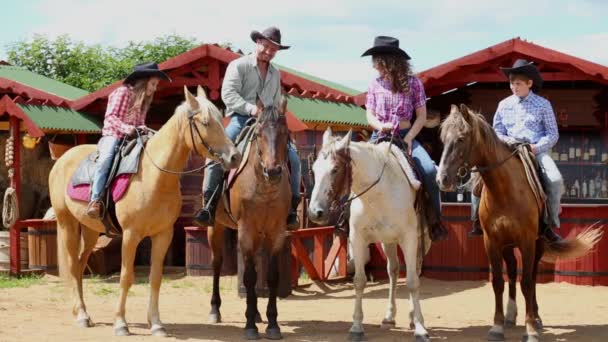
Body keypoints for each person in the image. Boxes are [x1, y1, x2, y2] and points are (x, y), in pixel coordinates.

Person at [192, 26, 302, 230]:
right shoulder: (238, 65)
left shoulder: (275, 74)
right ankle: (208, 205)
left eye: (274, 49)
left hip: (267, 125)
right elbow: (229, 95)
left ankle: (292, 209)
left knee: (294, 158)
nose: (269, 52)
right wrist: (251, 109)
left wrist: (276, 115)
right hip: (240, 119)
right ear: (258, 43)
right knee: (217, 156)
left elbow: (276, 101)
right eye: (267, 46)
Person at [362, 36, 447, 241]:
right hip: (379, 135)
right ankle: (346, 222)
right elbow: (369, 114)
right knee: (352, 167)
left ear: (387, 60)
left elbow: (422, 116)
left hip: (404, 136)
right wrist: (380, 125)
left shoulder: (413, 83)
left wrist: (409, 138)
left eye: (376, 59)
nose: (373, 64)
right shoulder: (374, 83)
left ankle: (435, 221)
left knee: (428, 171)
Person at [468, 59, 563, 242]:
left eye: (518, 83)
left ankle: (550, 224)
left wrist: (537, 147)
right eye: (511, 83)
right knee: (476, 175)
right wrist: (508, 141)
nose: (514, 87)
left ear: (529, 83)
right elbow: (496, 131)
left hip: (534, 149)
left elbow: (553, 134)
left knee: (555, 180)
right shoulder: (504, 104)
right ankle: (476, 220)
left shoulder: (543, 105)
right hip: (506, 150)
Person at [86, 62, 170, 218]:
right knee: (105, 159)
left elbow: (139, 123)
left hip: (133, 137)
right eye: (153, 84)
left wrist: (142, 128)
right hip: (114, 135)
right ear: (143, 81)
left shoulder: (144, 100)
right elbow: (110, 117)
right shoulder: (122, 92)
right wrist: (127, 128)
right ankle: (95, 199)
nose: (154, 88)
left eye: (156, 85)